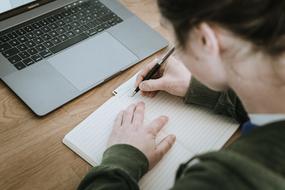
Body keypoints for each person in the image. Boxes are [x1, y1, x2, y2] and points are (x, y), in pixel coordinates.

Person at [78, 0, 285, 189]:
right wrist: (203, 88)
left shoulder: (220, 180)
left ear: (206, 41)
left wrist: (123, 159)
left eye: (175, 39)